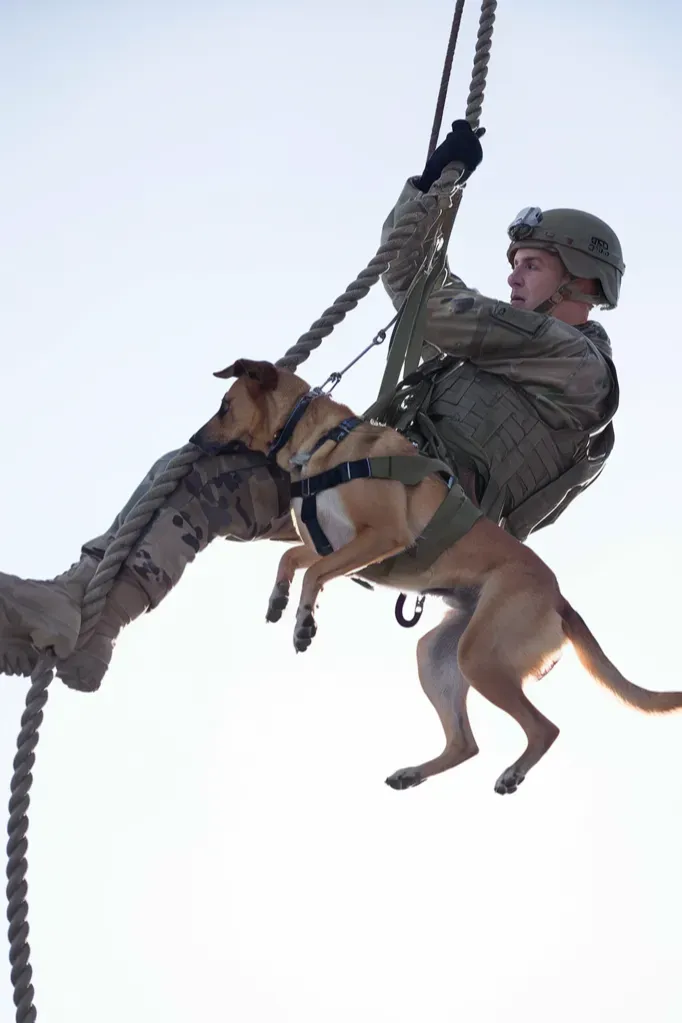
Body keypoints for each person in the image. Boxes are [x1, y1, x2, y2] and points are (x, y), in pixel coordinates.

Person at [0, 121, 624, 692]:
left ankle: (72, 612)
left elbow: (425, 303)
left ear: (582, 283)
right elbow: (411, 280)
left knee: (213, 469)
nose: (514, 278)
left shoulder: (575, 364)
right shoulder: (519, 350)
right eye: (514, 264)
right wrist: (428, 191)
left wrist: (433, 196)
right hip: (374, 493)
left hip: (412, 508)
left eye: (532, 264)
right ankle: (87, 620)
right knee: (204, 473)